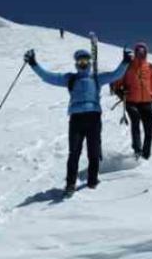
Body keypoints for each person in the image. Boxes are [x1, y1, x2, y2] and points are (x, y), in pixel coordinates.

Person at [23, 47, 132, 195]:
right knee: (74, 152)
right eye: (80, 61)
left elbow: (115, 74)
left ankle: (92, 180)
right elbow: (48, 77)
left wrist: (125, 61)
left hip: (93, 118)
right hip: (76, 119)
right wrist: (33, 63)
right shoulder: (70, 79)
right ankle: (70, 184)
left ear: (89, 62)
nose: (83, 63)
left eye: (85, 60)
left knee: (93, 151)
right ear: (76, 63)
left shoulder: (96, 78)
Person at [112, 42, 152, 160]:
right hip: (131, 101)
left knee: (148, 128)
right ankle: (137, 149)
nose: (141, 53)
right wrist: (119, 91)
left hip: (146, 102)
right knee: (135, 121)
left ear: (146, 53)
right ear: (135, 52)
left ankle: (146, 154)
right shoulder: (128, 66)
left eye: (143, 51)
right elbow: (117, 82)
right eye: (139, 51)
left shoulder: (150, 68)